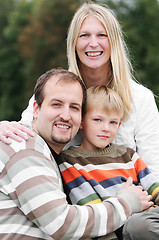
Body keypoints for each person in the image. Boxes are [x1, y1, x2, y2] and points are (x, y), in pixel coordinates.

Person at [0, 1, 159, 180]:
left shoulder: (140, 98)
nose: (93, 43)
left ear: (113, 41)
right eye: (84, 35)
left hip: (132, 203)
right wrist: (4, 127)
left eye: (101, 35)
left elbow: (153, 170)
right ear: (74, 42)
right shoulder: (55, 89)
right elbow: (24, 133)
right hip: (64, 201)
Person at [0, 68, 152, 240]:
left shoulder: (46, 155)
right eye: (56, 104)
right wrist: (126, 203)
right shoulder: (25, 150)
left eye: (74, 107)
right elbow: (62, 224)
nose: (65, 116)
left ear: (81, 120)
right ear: (36, 109)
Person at [58, 85, 159, 240]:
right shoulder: (71, 161)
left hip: (151, 215)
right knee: (138, 226)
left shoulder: (128, 155)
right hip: (123, 224)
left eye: (113, 122)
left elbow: (153, 187)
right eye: (98, 120)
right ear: (82, 121)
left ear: (119, 125)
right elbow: (91, 209)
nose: (106, 128)